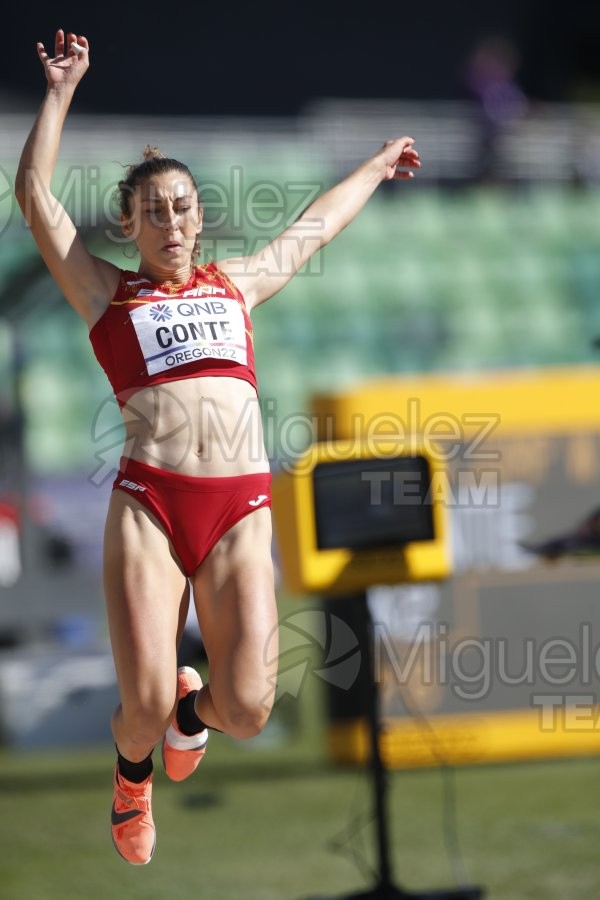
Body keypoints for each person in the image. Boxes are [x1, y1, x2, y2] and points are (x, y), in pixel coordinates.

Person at [15, 29, 421, 866]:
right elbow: (32, 197)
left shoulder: (236, 283)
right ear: (131, 223)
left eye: (183, 208)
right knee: (142, 697)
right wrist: (59, 92)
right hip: (153, 506)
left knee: (248, 709)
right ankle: (134, 776)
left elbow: (313, 230)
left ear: (201, 219)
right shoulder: (106, 294)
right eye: (154, 211)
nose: (171, 222)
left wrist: (376, 169)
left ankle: (190, 719)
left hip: (239, 505)